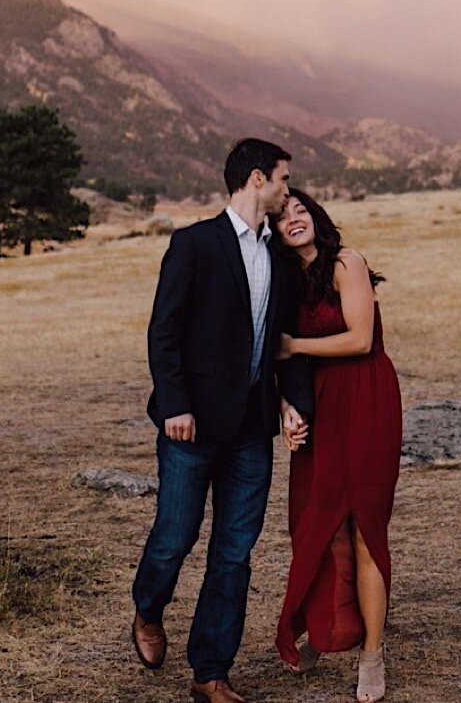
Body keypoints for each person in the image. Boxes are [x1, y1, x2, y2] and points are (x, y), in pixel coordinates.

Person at [131, 138, 314, 703]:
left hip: (251, 433)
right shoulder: (194, 243)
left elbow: (287, 346)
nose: (289, 191)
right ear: (258, 179)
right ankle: (148, 609)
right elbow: (164, 331)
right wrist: (176, 404)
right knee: (174, 537)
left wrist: (291, 402)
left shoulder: (279, 258)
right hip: (191, 428)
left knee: (234, 553)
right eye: (284, 179)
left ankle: (211, 672)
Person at [272, 189, 402, 703]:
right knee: (315, 522)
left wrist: (295, 344)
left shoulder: (347, 262)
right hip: (320, 403)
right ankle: (327, 627)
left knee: (364, 525)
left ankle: (372, 654)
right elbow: (280, 362)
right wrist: (288, 409)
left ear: (316, 217)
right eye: (283, 216)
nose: (295, 219)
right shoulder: (286, 282)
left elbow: (360, 339)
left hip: (366, 397)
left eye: (301, 210)